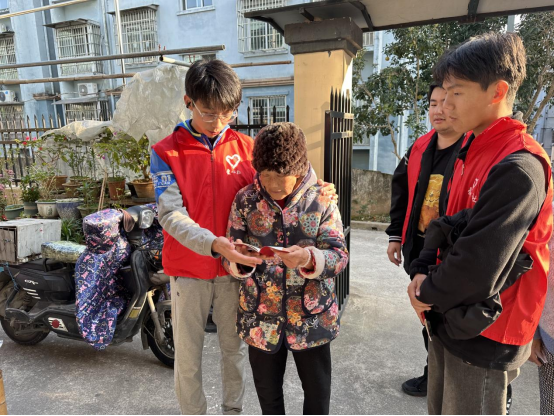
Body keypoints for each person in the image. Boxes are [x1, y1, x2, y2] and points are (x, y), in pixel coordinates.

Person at [151, 60, 336, 415]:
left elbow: (287, 172)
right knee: (187, 357)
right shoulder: (165, 152)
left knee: (232, 350)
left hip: (235, 271)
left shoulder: (247, 149)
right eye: (209, 113)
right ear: (189, 102)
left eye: (228, 113)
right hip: (188, 269)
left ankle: (232, 410)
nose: (219, 122)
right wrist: (213, 243)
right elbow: (170, 214)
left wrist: (319, 189)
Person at [407, 32, 553, 415]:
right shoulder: (472, 147)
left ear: (497, 91)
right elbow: (446, 224)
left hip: (487, 328)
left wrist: (426, 291)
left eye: (456, 92)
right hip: (452, 314)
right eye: (444, 92)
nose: (445, 104)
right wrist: (422, 269)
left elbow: (479, 263)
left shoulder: (519, 166)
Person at [223, 123, 349, 416]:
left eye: (282, 176)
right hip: (260, 316)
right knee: (268, 399)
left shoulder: (321, 198)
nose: (273, 184)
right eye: (266, 175)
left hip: (312, 318)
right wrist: (240, 260)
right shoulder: (246, 200)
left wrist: (308, 258)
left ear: (299, 168)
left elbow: (339, 255)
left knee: (317, 397)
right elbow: (230, 251)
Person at [386, 84, 466, 397]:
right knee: (427, 314)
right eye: (433, 103)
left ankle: (451, 380)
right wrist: (396, 235)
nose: (438, 109)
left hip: (454, 253)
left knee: (454, 318)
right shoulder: (420, 147)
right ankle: (434, 374)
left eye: (446, 101)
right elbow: (401, 190)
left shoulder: (471, 148)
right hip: (419, 249)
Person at [530, 212, 554, 415]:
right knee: (549, 406)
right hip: (549, 338)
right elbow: (537, 276)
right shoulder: (549, 213)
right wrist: (534, 335)